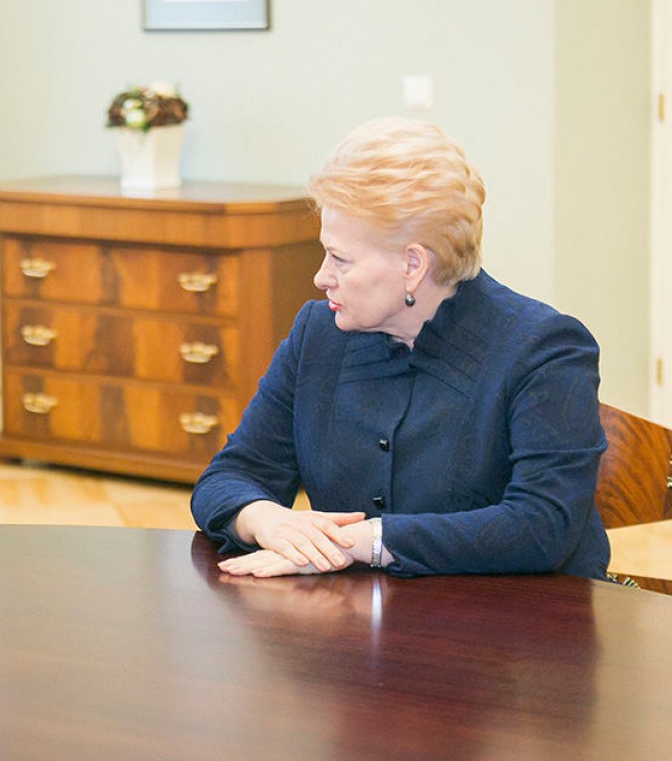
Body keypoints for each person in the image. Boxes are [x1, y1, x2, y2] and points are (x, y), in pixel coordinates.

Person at [191, 117, 611, 579]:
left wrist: (364, 541)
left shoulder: (544, 350)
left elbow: (540, 526)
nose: (321, 277)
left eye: (340, 259)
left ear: (413, 265)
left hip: (522, 619)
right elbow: (229, 476)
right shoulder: (318, 334)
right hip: (361, 617)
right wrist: (265, 519)